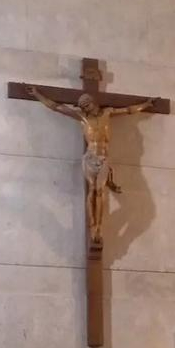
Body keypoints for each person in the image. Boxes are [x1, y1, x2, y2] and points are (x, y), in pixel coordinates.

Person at [26, 86, 155, 247]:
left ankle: (98, 227)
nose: (85, 108)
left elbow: (128, 110)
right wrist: (38, 94)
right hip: (90, 157)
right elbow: (57, 107)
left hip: (103, 157)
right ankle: (93, 225)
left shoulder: (107, 113)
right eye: (82, 107)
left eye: (86, 105)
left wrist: (146, 104)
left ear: (93, 103)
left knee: (99, 191)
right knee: (93, 189)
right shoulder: (82, 118)